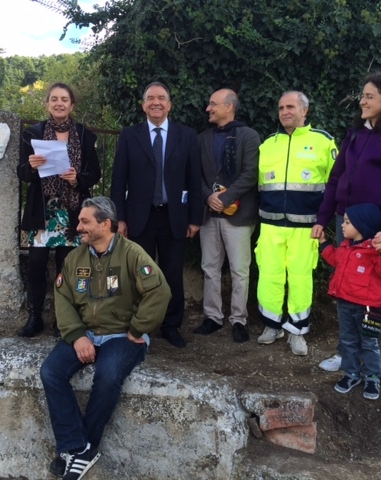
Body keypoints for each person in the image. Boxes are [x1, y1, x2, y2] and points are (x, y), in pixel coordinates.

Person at [40, 196, 171, 479]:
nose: (79, 227)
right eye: (79, 222)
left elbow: (159, 292)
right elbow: (62, 297)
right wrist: (76, 336)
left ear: (106, 224)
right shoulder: (75, 258)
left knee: (109, 374)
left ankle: (81, 450)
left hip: (122, 336)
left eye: (85, 221)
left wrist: (137, 329)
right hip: (85, 332)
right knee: (51, 371)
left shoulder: (133, 254)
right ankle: (78, 448)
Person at [312, 71, 381, 386]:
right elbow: (336, 179)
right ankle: (349, 356)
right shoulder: (356, 134)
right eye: (363, 95)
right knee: (348, 289)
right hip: (347, 222)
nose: (362, 100)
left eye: (370, 96)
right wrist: (322, 218)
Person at [110, 81, 203, 348]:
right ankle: (139, 326)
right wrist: (120, 219)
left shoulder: (186, 135)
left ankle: (172, 325)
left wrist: (195, 218)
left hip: (174, 217)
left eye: (162, 97)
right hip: (140, 216)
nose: (156, 102)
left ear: (170, 104)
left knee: (172, 273)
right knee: (139, 273)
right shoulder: (130, 135)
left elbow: (193, 179)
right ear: (143, 105)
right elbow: (119, 180)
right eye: (150, 98)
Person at [16, 83, 101, 338]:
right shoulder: (33, 134)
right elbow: (22, 174)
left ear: (72, 105)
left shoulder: (85, 136)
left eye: (64, 99)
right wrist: (31, 166)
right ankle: (35, 317)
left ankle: (62, 319)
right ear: (47, 104)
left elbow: (94, 174)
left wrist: (77, 179)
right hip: (43, 209)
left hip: (72, 210)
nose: (59, 103)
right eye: (54, 99)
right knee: (37, 264)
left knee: (67, 266)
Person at [255, 91, 337, 355]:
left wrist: (324, 221)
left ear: (305, 111)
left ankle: (297, 330)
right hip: (270, 224)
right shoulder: (268, 143)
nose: (284, 111)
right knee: (269, 275)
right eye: (280, 107)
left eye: (290, 106)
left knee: (301, 278)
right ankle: (272, 325)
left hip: (306, 227)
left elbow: (335, 184)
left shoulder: (323, 141)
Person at [193, 88, 260, 343]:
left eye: (213, 104)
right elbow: (195, 174)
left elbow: (251, 173)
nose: (208, 109)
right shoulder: (201, 139)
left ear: (229, 106)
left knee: (240, 270)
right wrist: (207, 196)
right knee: (209, 268)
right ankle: (212, 317)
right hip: (209, 215)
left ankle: (239, 320)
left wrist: (225, 198)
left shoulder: (249, 136)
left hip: (239, 215)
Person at [319, 204, 381, 400]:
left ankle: (372, 376)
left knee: (369, 342)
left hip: (369, 307)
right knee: (348, 340)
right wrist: (323, 243)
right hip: (344, 303)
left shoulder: (376, 250)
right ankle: (351, 373)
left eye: (348, 222)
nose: (343, 226)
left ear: (361, 225)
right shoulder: (346, 247)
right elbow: (333, 258)